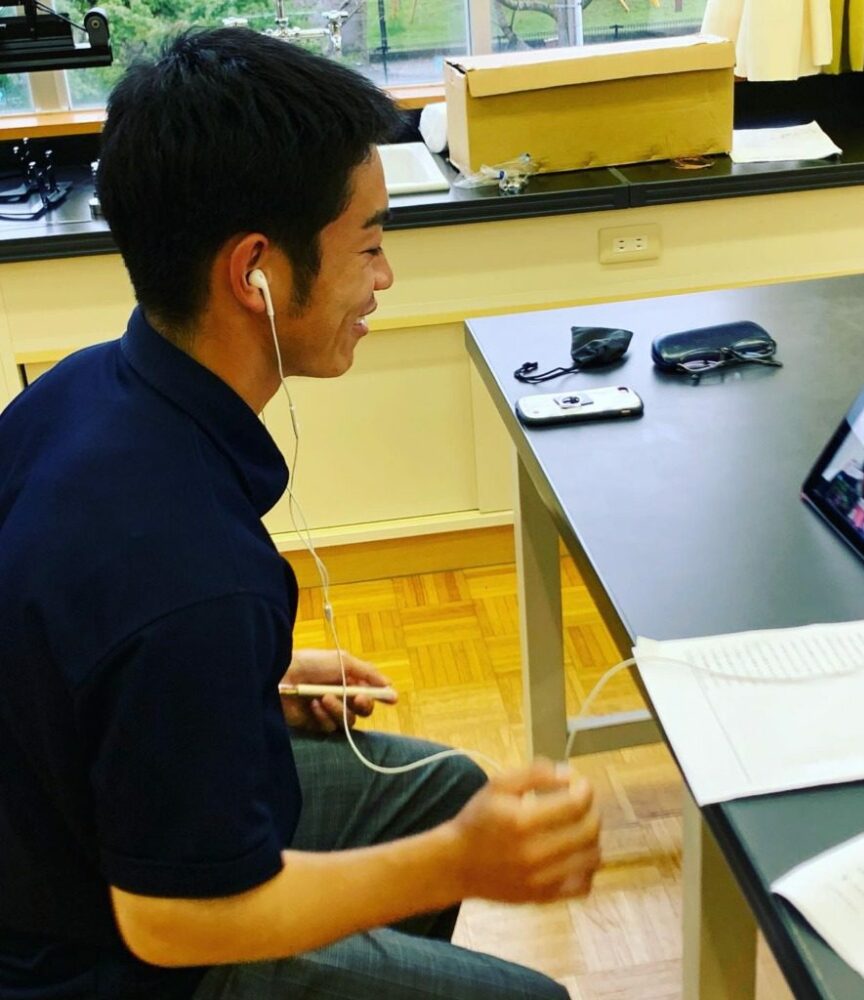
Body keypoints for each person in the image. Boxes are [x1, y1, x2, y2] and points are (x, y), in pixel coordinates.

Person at [0, 29, 601, 1000]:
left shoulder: (80, 391)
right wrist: (458, 861)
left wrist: (239, 684)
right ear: (258, 273)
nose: (384, 277)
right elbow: (171, 921)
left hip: (53, 831)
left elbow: (65, 653)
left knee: (444, 788)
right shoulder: (189, 574)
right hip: (99, 958)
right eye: (368, 244)